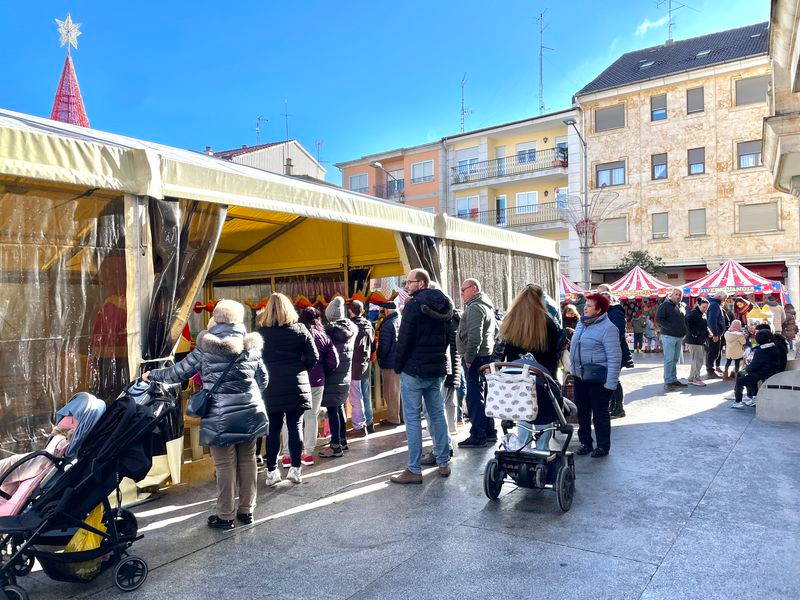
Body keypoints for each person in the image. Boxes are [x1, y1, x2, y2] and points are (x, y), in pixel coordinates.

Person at [143, 299, 268, 529]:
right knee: (248, 459)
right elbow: (264, 380)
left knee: (225, 464)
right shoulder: (252, 346)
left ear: (216, 318)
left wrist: (152, 375)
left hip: (220, 415)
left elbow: (177, 373)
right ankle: (247, 510)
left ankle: (226, 515)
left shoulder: (206, 346)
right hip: (250, 411)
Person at [390, 268, 453, 484]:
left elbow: (404, 339)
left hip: (414, 370)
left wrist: (398, 366)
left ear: (421, 283)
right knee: (437, 414)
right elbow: (447, 337)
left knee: (413, 419)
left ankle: (414, 469)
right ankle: (443, 463)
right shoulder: (445, 304)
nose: (406, 286)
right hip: (436, 368)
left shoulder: (414, 305)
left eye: (409, 282)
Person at [257, 293, 318, 486]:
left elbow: (255, 361)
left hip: (270, 386)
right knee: (295, 426)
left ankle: (272, 472)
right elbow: (314, 357)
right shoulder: (300, 329)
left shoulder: (261, 333)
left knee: (273, 429)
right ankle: (295, 470)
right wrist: (300, 370)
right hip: (295, 384)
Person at [569, 293, 622, 457]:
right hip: (580, 377)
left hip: (598, 379)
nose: (585, 308)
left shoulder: (609, 328)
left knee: (600, 414)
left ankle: (603, 446)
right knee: (582, 412)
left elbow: (614, 358)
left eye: (589, 306)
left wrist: (610, 385)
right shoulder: (581, 323)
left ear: (599, 310)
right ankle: (585, 443)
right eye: (586, 305)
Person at [456, 278, 498, 448]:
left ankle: (478, 435)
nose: (461, 293)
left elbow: (475, 336)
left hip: (476, 358)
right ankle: (489, 431)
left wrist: (468, 358)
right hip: (485, 356)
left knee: (474, 397)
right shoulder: (486, 305)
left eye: (463, 289)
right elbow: (494, 331)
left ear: (473, 288)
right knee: (484, 395)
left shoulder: (475, 307)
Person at [298, 307, 339, 465]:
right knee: (312, 416)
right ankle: (308, 454)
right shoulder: (323, 336)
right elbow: (334, 360)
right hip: (317, 381)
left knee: (294, 418)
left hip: (299, 380)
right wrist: (323, 372)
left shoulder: (297, 334)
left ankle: (290, 453)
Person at [318, 297, 358, 458]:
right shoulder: (350, 330)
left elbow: (328, 358)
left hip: (332, 376)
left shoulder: (331, 334)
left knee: (333, 409)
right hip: (345, 375)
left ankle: (335, 446)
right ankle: (342, 440)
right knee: (340, 407)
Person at [493, 284, 560, 378]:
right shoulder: (548, 322)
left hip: (515, 375)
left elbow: (500, 348)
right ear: (540, 300)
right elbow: (553, 353)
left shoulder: (510, 320)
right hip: (541, 375)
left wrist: (495, 370)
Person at [726, 329, 780, 409]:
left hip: (762, 373)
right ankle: (754, 397)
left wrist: (746, 368)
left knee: (740, 378)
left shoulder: (760, 351)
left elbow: (753, 366)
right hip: (771, 371)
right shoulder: (774, 347)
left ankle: (738, 401)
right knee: (746, 375)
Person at [347, 300, 375, 437]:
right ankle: (369, 423)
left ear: (350, 311)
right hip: (365, 363)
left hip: (354, 365)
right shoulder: (368, 324)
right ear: (362, 310)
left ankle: (359, 426)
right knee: (366, 395)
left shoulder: (350, 326)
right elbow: (373, 345)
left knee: (356, 397)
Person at [656, 288, 688, 390]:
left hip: (678, 336)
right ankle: (668, 381)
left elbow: (683, 320)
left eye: (680, 295)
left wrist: (684, 331)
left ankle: (673, 379)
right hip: (669, 336)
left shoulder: (680, 306)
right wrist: (671, 328)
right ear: (671, 295)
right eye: (676, 294)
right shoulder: (665, 305)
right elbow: (659, 319)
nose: (678, 296)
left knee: (674, 359)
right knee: (669, 359)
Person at [376, 302, 402, 426]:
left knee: (390, 392)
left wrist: (379, 357)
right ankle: (401, 416)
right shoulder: (400, 320)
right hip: (399, 360)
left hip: (389, 362)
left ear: (387, 310)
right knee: (398, 391)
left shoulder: (387, 324)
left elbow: (384, 346)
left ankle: (393, 418)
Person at [684, 298, 710, 387]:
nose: (705, 309)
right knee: (698, 361)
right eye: (703, 307)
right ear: (698, 305)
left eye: (706, 307)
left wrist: (708, 333)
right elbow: (687, 324)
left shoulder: (702, 314)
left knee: (696, 361)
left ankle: (692, 378)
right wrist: (695, 334)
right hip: (694, 341)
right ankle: (696, 378)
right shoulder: (693, 313)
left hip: (700, 340)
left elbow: (704, 326)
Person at [705, 291, 727, 379]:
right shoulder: (715, 305)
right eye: (725, 298)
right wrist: (715, 334)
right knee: (713, 352)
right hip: (714, 333)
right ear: (720, 297)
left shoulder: (712, 303)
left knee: (713, 352)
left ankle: (711, 370)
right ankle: (710, 371)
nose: (725, 300)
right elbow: (712, 320)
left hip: (714, 332)